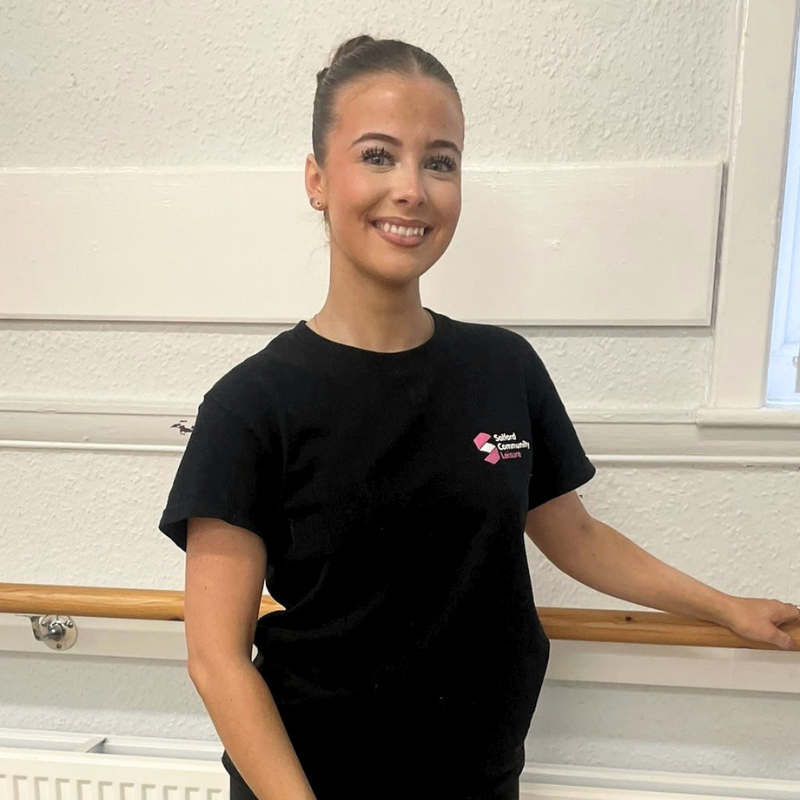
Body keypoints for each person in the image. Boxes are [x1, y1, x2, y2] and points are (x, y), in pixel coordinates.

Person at [158, 34, 800, 800]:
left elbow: (577, 536)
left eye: (440, 162)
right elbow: (216, 659)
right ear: (317, 180)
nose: (412, 189)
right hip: (315, 779)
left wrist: (728, 609)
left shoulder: (504, 368)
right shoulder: (251, 405)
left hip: (481, 775)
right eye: (377, 156)